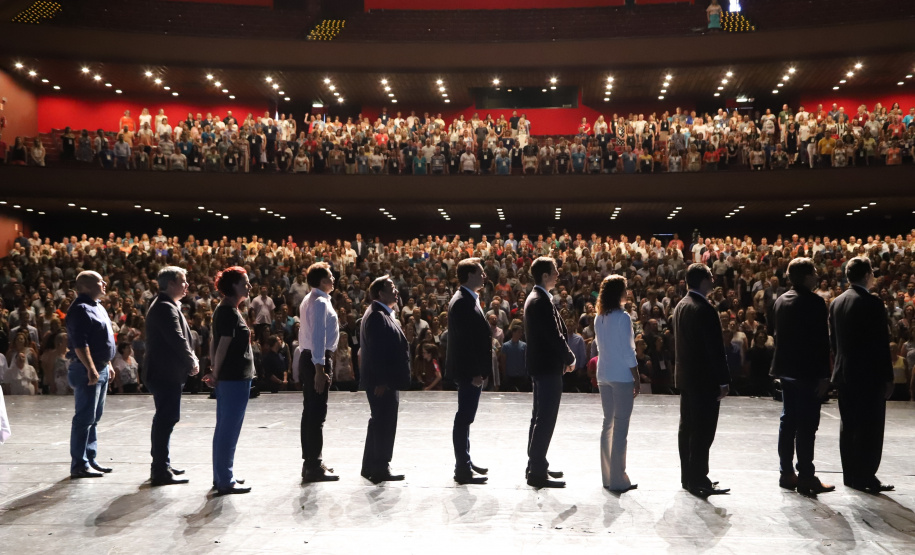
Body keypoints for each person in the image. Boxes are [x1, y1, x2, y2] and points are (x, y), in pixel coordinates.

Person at [829, 257, 895, 494]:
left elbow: (834, 342)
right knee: (871, 426)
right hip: (869, 375)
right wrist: (888, 377)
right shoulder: (872, 303)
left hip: (844, 373)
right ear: (867, 274)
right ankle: (867, 475)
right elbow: (880, 344)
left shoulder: (836, 303)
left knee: (849, 426)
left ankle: (851, 475)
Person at [769, 258, 834, 495]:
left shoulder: (780, 300)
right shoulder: (815, 302)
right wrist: (824, 376)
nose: (817, 276)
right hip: (807, 371)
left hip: (785, 370)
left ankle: (786, 473)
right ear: (807, 276)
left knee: (788, 421)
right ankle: (806, 476)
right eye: (815, 272)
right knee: (807, 425)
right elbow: (820, 342)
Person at [671, 263, 730, 497]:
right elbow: (714, 349)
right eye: (710, 276)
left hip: (687, 377)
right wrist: (723, 380)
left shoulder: (682, 305)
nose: (714, 279)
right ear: (703, 280)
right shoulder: (704, 308)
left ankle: (689, 476)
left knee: (688, 428)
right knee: (703, 430)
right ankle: (698, 478)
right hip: (704, 379)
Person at [144, 266, 199, 486]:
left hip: (165, 372)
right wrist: (192, 360)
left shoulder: (167, 304)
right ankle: (160, 469)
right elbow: (176, 338)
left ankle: (162, 464)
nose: (187, 285)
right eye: (183, 281)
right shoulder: (165, 307)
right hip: (164, 372)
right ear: (171, 284)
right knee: (166, 419)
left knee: (165, 419)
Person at [524, 256, 576, 488]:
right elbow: (554, 335)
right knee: (545, 419)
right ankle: (536, 471)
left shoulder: (538, 298)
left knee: (539, 418)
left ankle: (537, 464)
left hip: (542, 366)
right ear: (545, 275)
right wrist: (569, 357)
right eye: (554, 270)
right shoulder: (540, 301)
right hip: (547, 367)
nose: (558, 273)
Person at [203, 266, 254, 495]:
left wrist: (215, 369)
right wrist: (216, 373)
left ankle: (223, 476)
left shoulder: (226, 310)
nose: (249, 286)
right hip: (234, 378)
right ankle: (225, 479)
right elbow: (222, 345)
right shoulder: (228, 312)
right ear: (234, 286)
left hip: (230, 377)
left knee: (225, 429)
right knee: (228, 430)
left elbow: (215, 343)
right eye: (245, 282)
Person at [359, 276, 412, 484]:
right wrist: (382, 381)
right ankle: (380, 466)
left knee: (378, 421)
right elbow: (377, 351)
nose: (396, 290)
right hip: (382, 382)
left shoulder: (379, 313)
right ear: (380, 293)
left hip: (384, 380)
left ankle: (369, 465)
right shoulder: (377, 316)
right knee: (385, 423)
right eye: (391, 287)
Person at [66, 271, 117, 479]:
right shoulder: (80, 309)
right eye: (99, 282)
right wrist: (91, 368)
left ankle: (90, 458)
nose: (104, 283)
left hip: (101, 367)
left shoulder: (98, 306)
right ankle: (79, 464)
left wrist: (108, 364)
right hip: (87, 368)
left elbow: (101, 340)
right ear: (86, 286)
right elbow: (81, 343)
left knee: (94, 417)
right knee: (84, 417)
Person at [446, 258, 492, 485]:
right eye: (480, 272)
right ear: (469, 275)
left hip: (470, 370)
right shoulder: (463, 301)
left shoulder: (467, 299)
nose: (484, 276)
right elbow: (465, 342)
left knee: (465, 419)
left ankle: (465, 460)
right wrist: (475, 371)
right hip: (468, 371)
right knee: (463, 418)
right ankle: (462, 468)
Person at [594, 275, 639, 493]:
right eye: (625, 289)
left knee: (607, 425)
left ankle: (607, 477)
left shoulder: (598, 318)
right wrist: (637, 376)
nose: (627, 292)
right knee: (620, 427)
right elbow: (629, 351)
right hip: (621, 376)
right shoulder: (623, 318)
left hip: (603, 374)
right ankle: (618, 479)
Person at [298, 262, 340, 482]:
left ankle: (312, 461)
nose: (333, 280)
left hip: (311, 357)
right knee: (316, 414)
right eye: (330, 277)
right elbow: (318, 337)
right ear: (322, 281)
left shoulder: (309, 299)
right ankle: (313, 465)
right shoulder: (320, 302)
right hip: (317, 359)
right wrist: (319, 369)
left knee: (310, 413)